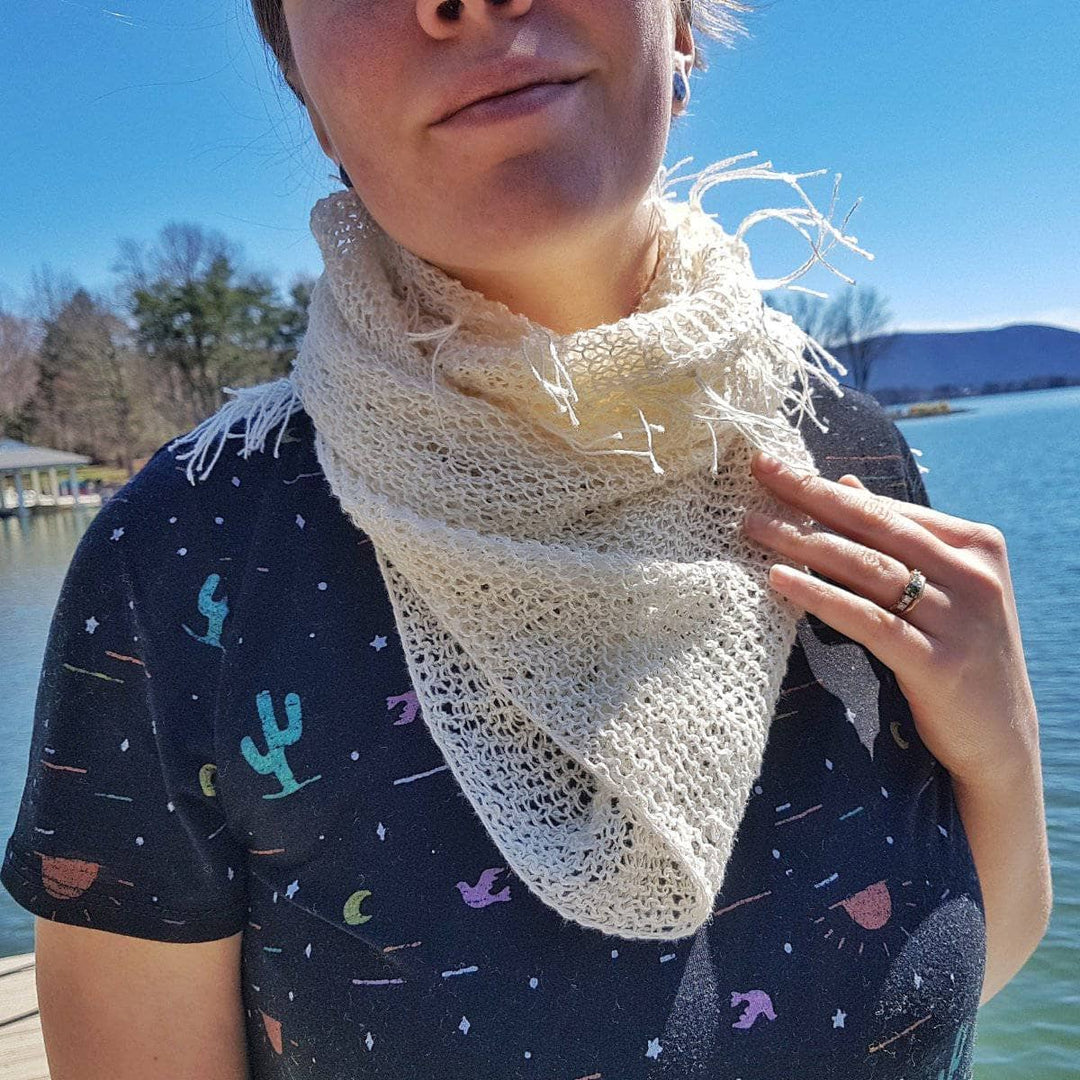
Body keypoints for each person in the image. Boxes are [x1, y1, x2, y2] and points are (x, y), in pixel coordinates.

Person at [2, 3, 1051, 1079]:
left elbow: (956, 980)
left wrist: (1002, 752)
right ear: (309, 95)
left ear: (681, 26)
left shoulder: (846, 448)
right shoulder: (185, 557)